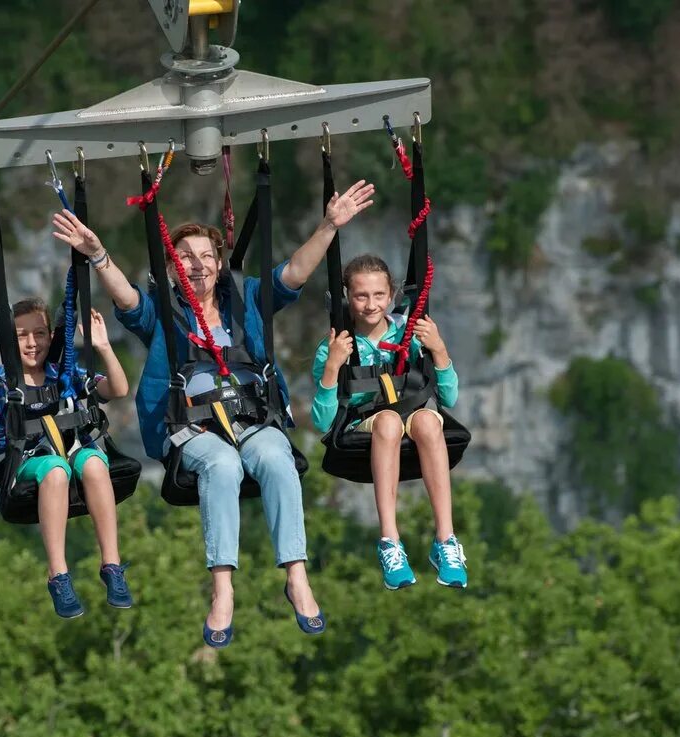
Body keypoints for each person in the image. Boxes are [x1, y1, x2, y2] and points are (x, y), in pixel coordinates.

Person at [50, 179, 376, 647]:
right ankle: (222, 589)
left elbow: (294, 274)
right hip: (192, 429)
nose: (197, 266)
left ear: (220, 265)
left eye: (206, 257)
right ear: (171, 266)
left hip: (253, 419)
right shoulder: (165, 311)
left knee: (276, 457)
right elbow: (126, 299)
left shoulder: (245, 302)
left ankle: (297, 575)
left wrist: (329, 225)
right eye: (185, 258)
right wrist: (99, 255)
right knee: (222, 466)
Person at [0, 298, 133, 618]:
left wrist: (103, 346)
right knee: (56, 470)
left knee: (95, 462)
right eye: (21, 336)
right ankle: (58, 575)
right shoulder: (3, 379)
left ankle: (111, 565)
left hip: (71, 450)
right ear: (8, 341)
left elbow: (118, 388)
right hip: (31, 461)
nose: (32, 343)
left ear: (51, 336)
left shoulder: (65, 373)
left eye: (40, 333)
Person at [310, 254, 468, 589]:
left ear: (392, 295)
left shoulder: (408, 336)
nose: (370, 305)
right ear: (347, 298)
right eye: (361, 296)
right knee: (388, 423)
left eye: (379, 295)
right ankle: (390, 541)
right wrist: (332, 368)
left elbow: (449, 399)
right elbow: (321, 420)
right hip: (365, 426)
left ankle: (446, 540)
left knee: (428, 421)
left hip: (410, 417)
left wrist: (438, 351)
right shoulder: (336, 347)